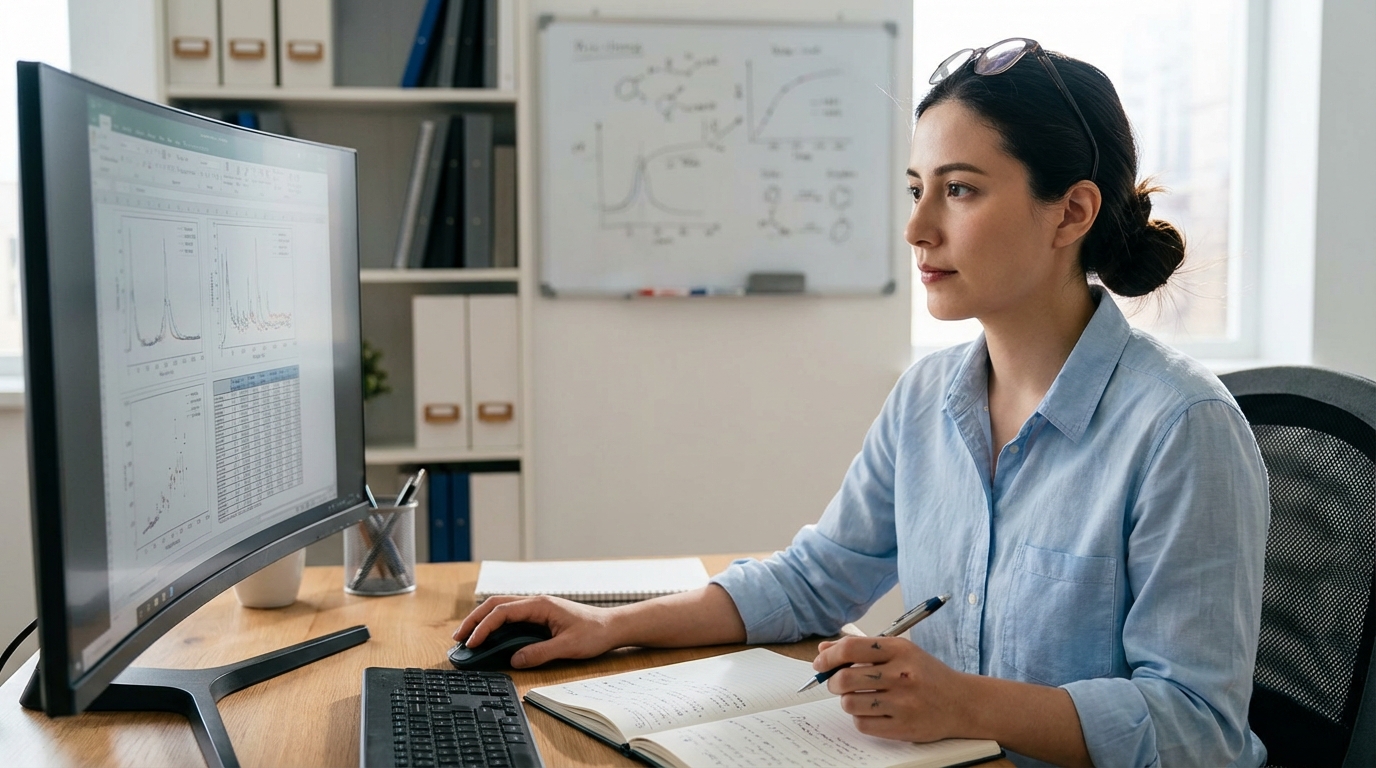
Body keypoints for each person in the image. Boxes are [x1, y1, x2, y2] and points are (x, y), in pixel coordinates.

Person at [455, 38, 1270, 767]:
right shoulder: (928, 398)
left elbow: (1197, 728)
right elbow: (816, 581)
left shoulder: (1181, 430)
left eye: (960, 191)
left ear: (1073, 212)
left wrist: (962, 701)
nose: (917, 228)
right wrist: (612, 625)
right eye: (918, 187)